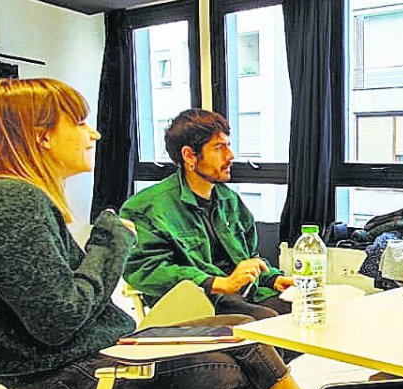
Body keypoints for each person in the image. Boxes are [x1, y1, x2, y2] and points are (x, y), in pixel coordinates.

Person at [0, 79, 315, 389]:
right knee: (241, 349)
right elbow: (60, 319)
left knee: (242, 331)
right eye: (79, 123)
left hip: (87, 368)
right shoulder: (8, 203)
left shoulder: (10, 198)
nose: (94, 134)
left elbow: (61, 307)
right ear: (41, 136)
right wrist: (110, 241)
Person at [120, 109, 292, 320]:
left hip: (244, 295)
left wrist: (273, 279)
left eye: (228, 146)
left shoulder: (229, 200)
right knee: (265, 320)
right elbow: (146, 270)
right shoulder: (146, 207)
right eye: (219, 148)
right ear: (189, 156)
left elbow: (249, 258)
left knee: (300, 310)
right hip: (195, 304)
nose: (230, 156)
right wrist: (217, 283)